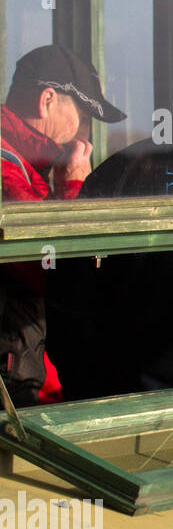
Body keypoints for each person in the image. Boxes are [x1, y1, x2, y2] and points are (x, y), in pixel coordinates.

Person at [0, 45, 126, 405]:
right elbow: (54, 271)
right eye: (84, 117)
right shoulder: (8, 169)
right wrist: (72, 188)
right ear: (47, 101)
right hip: (18, 392)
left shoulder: (27, 164)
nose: (84, 135)